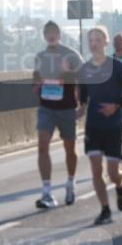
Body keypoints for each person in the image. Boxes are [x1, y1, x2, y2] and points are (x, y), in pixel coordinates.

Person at [78, 27, 122, 225]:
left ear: (105, 43)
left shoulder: (117, 66)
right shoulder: (85, 69)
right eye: (91, 40)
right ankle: (105, 210)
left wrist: (116, 106)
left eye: (98, 39)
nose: (93, 43)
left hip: (112, 125)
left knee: (113, 174)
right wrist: (81, 108)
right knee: (95, 168)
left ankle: (120, 187)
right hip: (93, 126)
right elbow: (84, 94)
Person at [32, 21, 83, 208]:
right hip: (46, 108)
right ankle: (47, 192)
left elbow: (83, 78)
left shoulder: (71, 54)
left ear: (59, 34)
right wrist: (37, 86)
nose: (51, 35)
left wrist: (82, 105)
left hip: (67, 108)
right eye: (47, 33)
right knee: (42, 146)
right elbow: (35, 80)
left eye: (54, 32)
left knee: (70, 148)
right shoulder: (40, 56)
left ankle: (70, 183)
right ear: (44, 35)